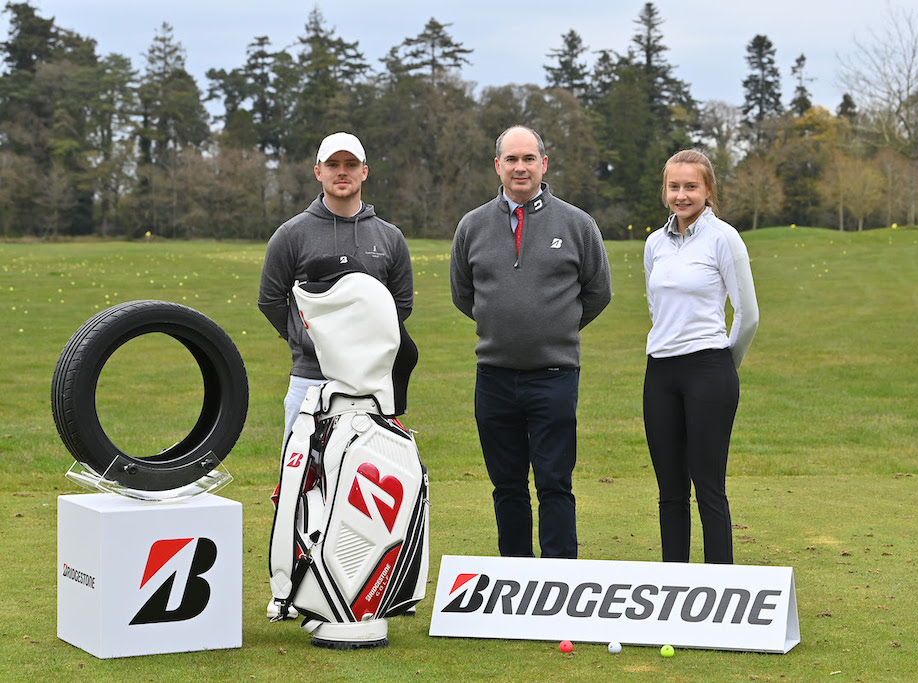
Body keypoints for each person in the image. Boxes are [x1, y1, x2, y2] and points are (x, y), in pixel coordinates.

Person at [450, 125, 612, 559]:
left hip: (554, 376)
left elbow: (598, 292)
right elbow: (464, 294)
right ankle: (516, 577)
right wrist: (502, 325)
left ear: (544, 164)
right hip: (495, 377)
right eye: (511, 159)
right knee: (506, 485)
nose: (520, 167)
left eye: (528, 159)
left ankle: (558, 579)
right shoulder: (472, 226)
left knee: (555, 483)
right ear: (497, 165)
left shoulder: (578, 224)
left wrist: (556, 326)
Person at [258, 131, 414, 452]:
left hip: (370, 382)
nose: (342, 172)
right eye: (333, 165)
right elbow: (270, 299)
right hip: (310, 380)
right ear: (319, 172)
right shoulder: (291, 234)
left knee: (366, 473)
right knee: (301, 475)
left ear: (364, 171)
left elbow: (401, 304)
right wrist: (303, 336)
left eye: (351, 164)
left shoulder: (390, 237)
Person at [643, 149, 759, 564]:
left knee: (709, 487)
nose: (681, 195)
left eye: (691, 186)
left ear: (708, 190)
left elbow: (747, 315)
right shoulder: (655, 243)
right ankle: (675, 583)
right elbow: (656, 307)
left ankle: (720, 585)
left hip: (709, 369)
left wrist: (725, 364)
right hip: (660, 372)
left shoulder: (723, 238)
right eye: (674, 186)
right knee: (670, 491)